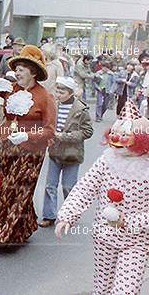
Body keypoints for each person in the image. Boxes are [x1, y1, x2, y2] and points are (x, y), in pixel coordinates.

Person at [56, 102, 149, 295]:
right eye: (114, 133)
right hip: (104, 236)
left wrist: (128, 221)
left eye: (124, 135)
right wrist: (68, 215)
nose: (116, 139)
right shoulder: (107, 159)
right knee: (102, 288)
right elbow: (86, 187)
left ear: (142, 140)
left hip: (136, 242)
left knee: (126, 291)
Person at [0, 44, 56, 253]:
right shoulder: (12, 89)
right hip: (8, 148)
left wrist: (28, 135)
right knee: (7, 190)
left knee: (20, 192)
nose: (17, 73)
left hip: (31, 152)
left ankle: (7, 238)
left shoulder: (45, 97)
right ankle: (26, 225)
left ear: (33, 72)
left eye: (22, 70)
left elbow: (50, 131)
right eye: (17, 69)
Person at [38, 76, 93, 228]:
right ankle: (49, 216)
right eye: (57, 91)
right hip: (55, 152)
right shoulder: (53, 105)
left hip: (72, 154)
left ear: (70, 93)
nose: (58, 95)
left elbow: (88, 131)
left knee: (69, 187)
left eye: (62, 92)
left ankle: (69, 216)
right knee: (50, 185)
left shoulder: (81, 109)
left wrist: (67, 136)